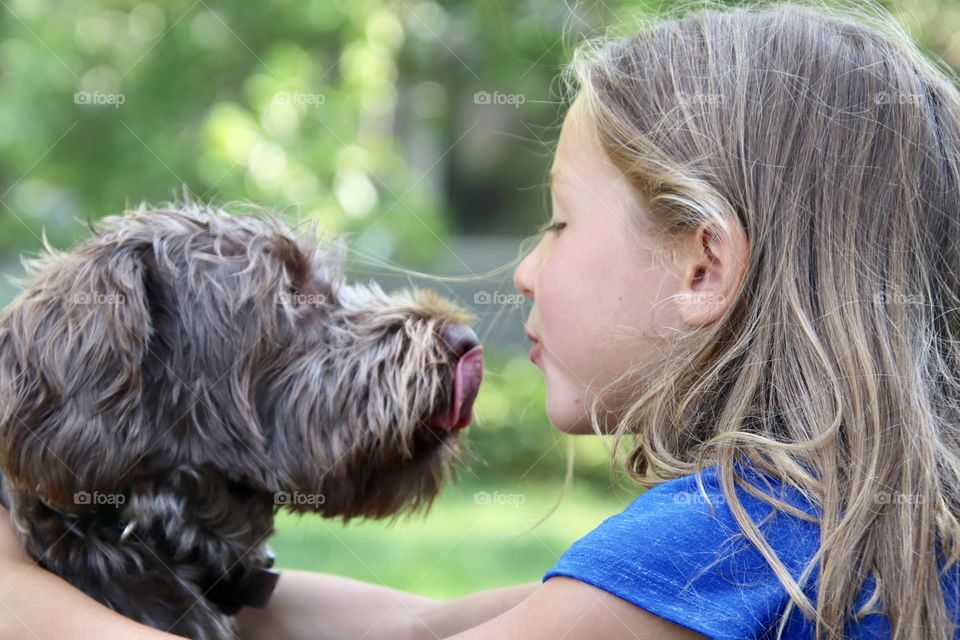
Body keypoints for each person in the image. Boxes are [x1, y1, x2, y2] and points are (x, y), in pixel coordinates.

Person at [3, 0, 960, 637]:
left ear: (705, 266)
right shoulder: (845, 524)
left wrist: (19, 601)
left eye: (558, 220)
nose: (525, 269)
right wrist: (202, 583)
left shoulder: (735, 541)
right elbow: (420, 629)